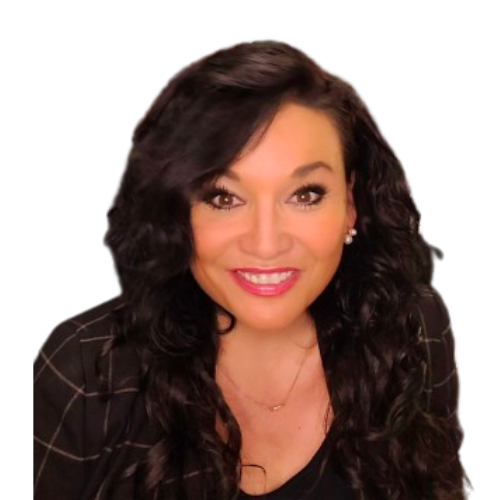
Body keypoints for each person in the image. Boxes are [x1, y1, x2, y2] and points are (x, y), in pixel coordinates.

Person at [33, 38, 474, 499]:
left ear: (351, 204)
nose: (266, 244)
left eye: (305, 194)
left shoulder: (413, 327)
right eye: (223, 197)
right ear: (175, 211)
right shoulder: (84, 373)